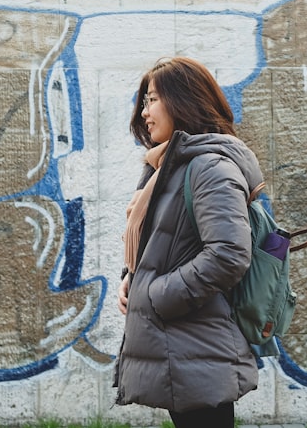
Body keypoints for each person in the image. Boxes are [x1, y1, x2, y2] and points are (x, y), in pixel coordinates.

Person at [113, 56, 263, 428]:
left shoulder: (209, 167)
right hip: (179, 344)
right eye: (144, 102)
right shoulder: (163, 168)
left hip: (196, 343)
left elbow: (229, 253)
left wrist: (157, 294)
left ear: (183, 101)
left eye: (152, 100)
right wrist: (130, 278)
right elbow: (157, 242)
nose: (144, 112)